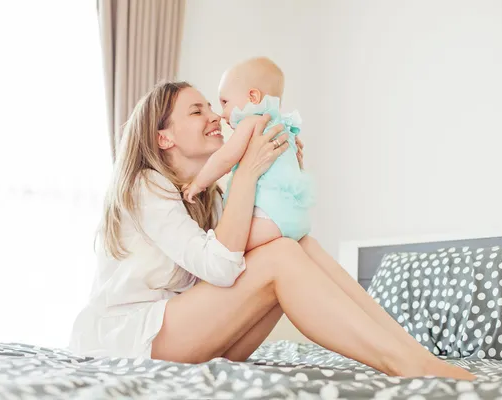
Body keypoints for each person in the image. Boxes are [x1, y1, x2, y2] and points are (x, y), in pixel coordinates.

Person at [69, 79, 475, 380]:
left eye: (211, 106)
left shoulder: (206, 195)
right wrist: (247, 171)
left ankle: (414, 353)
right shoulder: (147, 186)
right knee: (280, 256)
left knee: (298, 243)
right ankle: (401, 363)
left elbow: (275, 230)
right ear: (163, 137)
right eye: (197, 111)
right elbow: (222, 267)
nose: (214, 116)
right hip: (130, 337)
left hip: (185, 333)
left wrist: (280, 169)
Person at [183, 57, 311, 251]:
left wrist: (198, 183)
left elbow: (224, 158)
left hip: (269, 215)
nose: (222, 113)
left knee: (221, 250)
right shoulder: (282, 127)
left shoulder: (252, 123)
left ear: (253, 97)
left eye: (225, 102)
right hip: (295, 215)